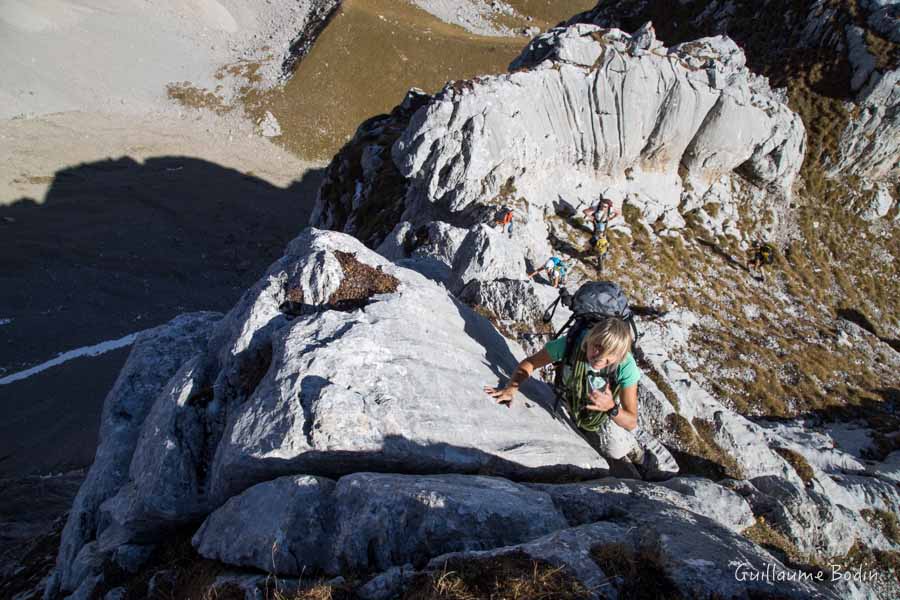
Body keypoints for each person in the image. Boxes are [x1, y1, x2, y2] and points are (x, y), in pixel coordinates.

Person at [484, 318, 643, 462]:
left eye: (610, 355)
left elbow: (631, 421)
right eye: (598, 347)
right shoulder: (572, 343)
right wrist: (511, 388)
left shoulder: (626, 366)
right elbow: (531, 363)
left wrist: (610, 408)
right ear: (589, 339)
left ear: (620, 356)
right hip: (570, 399)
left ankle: (635, 450)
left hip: (604, 414)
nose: (600, 358)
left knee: (614, 450)